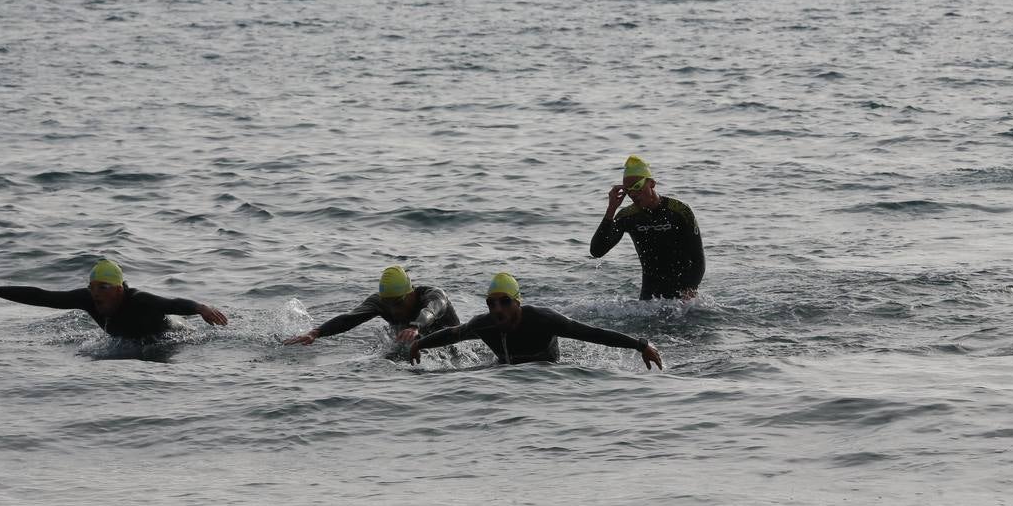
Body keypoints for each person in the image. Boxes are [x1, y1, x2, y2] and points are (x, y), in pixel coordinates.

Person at [408, 272, 663, 368]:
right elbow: (453, 333)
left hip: (546, 376)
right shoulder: (484, 324)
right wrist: (419, 344)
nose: (497, 308)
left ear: (517, 303)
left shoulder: (544, 320)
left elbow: (591, 333)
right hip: (504, 373)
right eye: (491, 303)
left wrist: (641, 345)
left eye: (504, 301)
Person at [0, 258, 228, 338]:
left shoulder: (140, 300)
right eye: (93, 287)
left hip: (170, 339)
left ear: (119, 289)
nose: (96, 293)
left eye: (104, 288)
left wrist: (201, 308)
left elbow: (172, 304)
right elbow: (43, 296)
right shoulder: (87, 299)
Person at [589, 155, 705, 301]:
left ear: (652, 183)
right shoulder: (627, 216)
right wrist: (611, 209)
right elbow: (597, 251)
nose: (633, 194)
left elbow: (698, 259)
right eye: (628, 190)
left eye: (637, 187)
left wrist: (690, 289)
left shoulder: (680, 211)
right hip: (648, 300)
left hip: (683, 298)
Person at [283, 266, 459, 347]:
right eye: (388, 304)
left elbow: (431, 311)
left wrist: (415, 326)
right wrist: (316, 332)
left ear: (411, 293)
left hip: (454, 345)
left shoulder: (434, 295)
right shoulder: (381, 302)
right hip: (414, 347)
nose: (394, 310)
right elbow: (349, 319)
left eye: (398, 303)